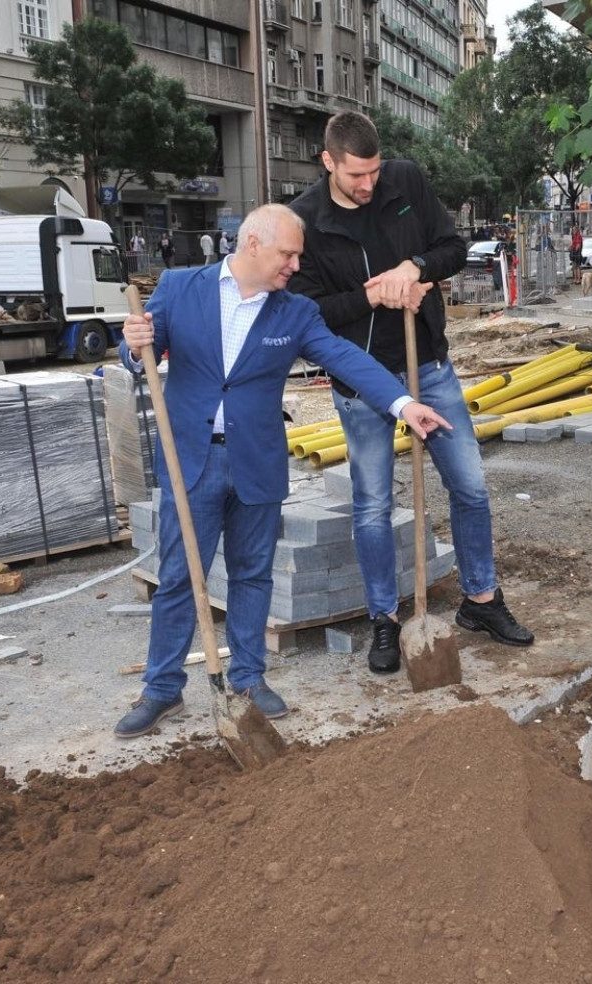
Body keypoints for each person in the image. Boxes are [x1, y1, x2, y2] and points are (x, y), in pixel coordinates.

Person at [113, 203, 451, 738]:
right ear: (252, 244)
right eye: (287, 253)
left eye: (298, 255)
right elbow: (140, 352)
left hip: (257, 462)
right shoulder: (180, 287)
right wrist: (134, 348)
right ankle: (161, 689)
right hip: (192, 460)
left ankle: (248, 679)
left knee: (252, 573)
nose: (295, 264)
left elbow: (345, 358)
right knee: (179, 576)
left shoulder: (294, 312)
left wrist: (402, 404)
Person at [287, 110, 534, 676]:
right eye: (356, 176)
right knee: (372, 504)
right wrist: (372, 297)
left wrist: (414, 265)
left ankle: (481, 601)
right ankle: (384, 618)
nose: (369, 185)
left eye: (374, 172)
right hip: (360, 379)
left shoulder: (407, 182)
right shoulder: (306, 220)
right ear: (328, 162)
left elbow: (452, 246)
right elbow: (309, 313)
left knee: (469, 484)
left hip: (429, 366)